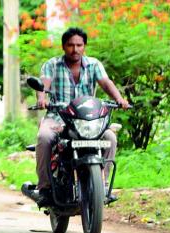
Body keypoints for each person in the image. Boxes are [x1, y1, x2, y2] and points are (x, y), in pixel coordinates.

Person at [28, 27, 130, 206]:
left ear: (84, 46)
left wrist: (120, 99)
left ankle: (102, 187)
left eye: (79, 45)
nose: (75, 49)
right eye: (70, 45)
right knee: (44, 138)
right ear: (63, 46)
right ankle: (44, 188)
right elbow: (44, 84)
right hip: (58, 117)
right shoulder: (52, 65)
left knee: (110, 138)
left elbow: (106, 83)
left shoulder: (94, 64)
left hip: (87, 120)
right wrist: (42, 99)